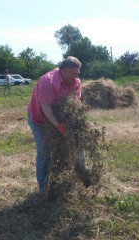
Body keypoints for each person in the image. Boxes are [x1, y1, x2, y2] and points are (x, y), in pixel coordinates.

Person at [27, 56, 89, 193]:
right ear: (64, 71)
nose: (76, 76)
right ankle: (43, 188)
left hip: (60, 119)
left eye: (78, 73)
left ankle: (82, 174)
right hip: (39, 119)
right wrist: (59, 126)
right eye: (74, 73)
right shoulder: (48, 82)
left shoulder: (75, 81)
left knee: (77, 143)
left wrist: (75, 122)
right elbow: (46, 108)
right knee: (44, 151)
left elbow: (75, 104)